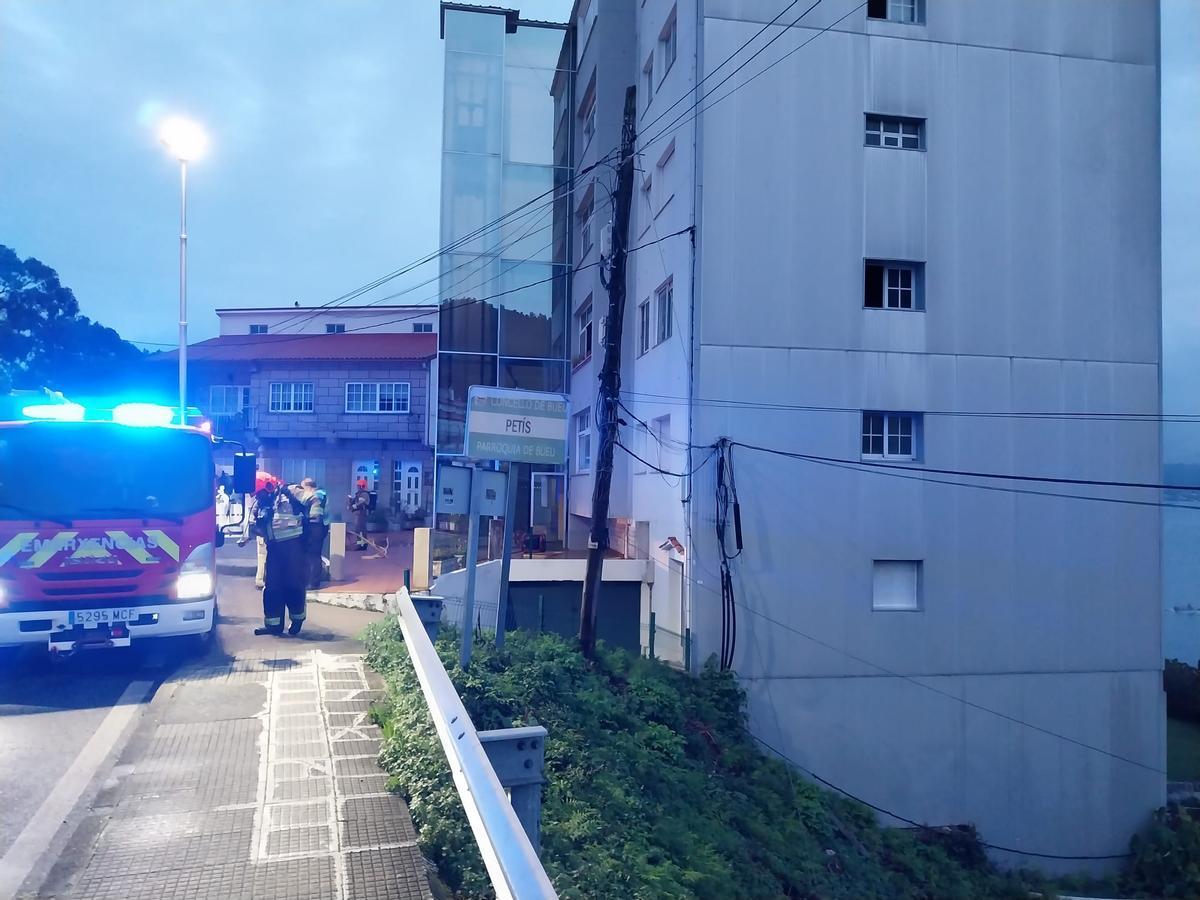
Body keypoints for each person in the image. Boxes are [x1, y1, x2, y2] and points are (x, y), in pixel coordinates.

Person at [249, 474, 308, 636]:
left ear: (268, 486)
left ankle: (297, 621)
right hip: (274, 549)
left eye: (260, 493)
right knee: (272, 588)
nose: (258, 497)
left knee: (293, 585)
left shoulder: (291, 492)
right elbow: (253, 523)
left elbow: (313, 499)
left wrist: (316, 517)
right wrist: (249, 534)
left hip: (293, 548)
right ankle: (273, 625)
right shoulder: (261, 502)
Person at [298, 477, 329, 590]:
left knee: (314, 555)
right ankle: (311, 581)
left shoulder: (318, 494)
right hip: (317, 526)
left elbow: (305, 502)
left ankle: (313, 583)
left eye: (303, 487)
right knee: (311, 555)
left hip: (316, 527)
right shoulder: (320, 494)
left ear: (308, 486)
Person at [349, 479, 371, 551]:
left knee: (361, 530)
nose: (357, 487)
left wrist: (354, 506)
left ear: (362, 486)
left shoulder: (364, 494)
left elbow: (361, 502)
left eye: (358, 485)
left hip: (361, 514)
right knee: (358, 530)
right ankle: (360, 544)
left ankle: (363, 545)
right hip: (359, 513)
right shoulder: (360, 493)